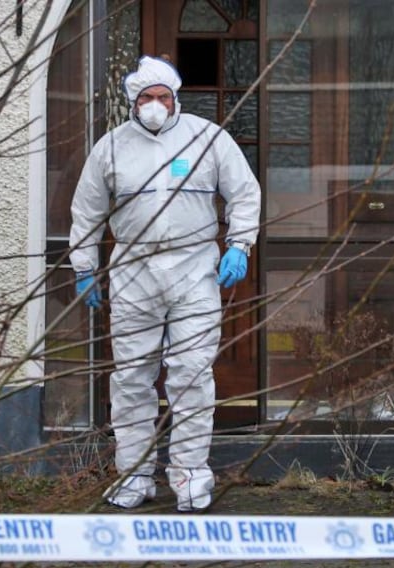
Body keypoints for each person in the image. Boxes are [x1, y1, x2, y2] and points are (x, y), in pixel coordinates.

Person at [68, 55, 261, 511]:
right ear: (133, 103)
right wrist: (83, 266)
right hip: (134, 272)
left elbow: (243, 191)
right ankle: (134, 478)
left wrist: (240, 244)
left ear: (175, 99)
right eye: (147, 98)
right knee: (133, 378)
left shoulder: (207, 139)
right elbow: (87, 210)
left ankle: (192, 479)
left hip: (195, 272)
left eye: (163, 97)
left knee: (191, 375)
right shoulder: (112, 148)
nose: (156, 105)